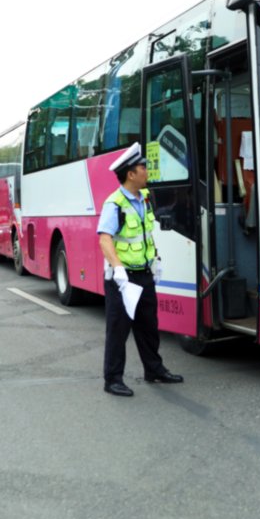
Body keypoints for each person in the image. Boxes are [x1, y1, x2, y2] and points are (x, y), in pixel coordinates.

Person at [97, 142, 183, 396]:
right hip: (123, 279)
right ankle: (112, 379)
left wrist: (155, 260)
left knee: (148, 326)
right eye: (142, 167)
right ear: (131, 174)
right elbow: (105, 238)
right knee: (118, 330)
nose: (147, 170)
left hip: (144, 274)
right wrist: (118, 269)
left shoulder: (145, 198)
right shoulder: (114, 203)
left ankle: (154, 370)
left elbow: (145, 234)